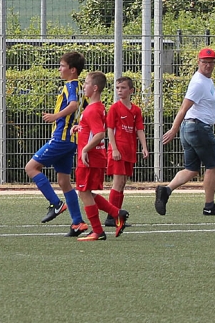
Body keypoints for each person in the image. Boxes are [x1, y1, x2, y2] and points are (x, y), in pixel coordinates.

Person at [155, 48, 215, 217]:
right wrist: (173, 129)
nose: (208, 65)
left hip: (191, 128)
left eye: (211, 62)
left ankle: (166, 190)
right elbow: (184, 108)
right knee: (212, 166)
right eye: (204, 62)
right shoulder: (198, 83)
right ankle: (209, 206)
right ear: (198, 62)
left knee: (191, 169)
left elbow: (203, 105)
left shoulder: (206, 81)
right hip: (198, 128)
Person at [24, 51, 87, 236]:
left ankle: (56, 204)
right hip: (71, 140)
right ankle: (78, 223)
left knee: (31, 168)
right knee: (64, 181)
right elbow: (86, 108)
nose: (59, 69)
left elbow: (74, 105)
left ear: (72, 70)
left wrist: (55, 116)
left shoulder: (71, 85)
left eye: (62, 66)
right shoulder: (81, 87)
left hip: (62, 138)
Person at [72, 72, 129, 241]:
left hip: (89, 158)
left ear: (95, 88)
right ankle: (117, 213)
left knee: (83, 192)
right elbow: (92, 129)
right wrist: (80, 128)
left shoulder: (92, 109)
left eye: (86, 83)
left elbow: (99, 134)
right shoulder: (96, 107)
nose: (84, 86)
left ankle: (98, 231)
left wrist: (84, 150)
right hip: (93, 157)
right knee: (86, 192)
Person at [104, 76, 149, 227]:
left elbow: (139, 129)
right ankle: (111, 216)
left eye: (123, 88)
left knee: (122, 183)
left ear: (131, 90)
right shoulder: (114, 108)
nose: (119, 90)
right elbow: (110, 130)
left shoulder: (136, 110)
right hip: (118, 150)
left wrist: (144, 147)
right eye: (117, 88)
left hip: (129, 150)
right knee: (117, 182)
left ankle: (116, 215)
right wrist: (114, 149)